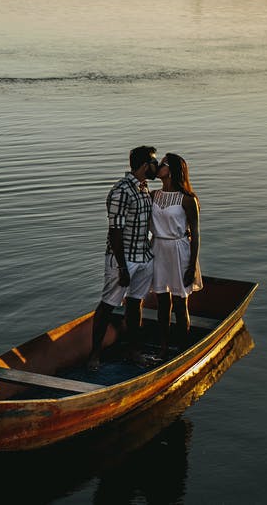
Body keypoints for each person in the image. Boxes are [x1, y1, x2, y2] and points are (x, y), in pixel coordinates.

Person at [88, 146, 159, 372]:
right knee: (108, 304)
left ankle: (133, 350)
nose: (156, 167)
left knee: (135, 305)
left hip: (143, 256)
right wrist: (122, 267)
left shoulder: (144, 188)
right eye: (154, 163)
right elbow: (115, 231)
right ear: (145, 165)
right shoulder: (121, 190)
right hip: (124, 259)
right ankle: (94, 355)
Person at [150, 153, 202, 358]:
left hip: (179, 250)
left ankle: (183, 350)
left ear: (170, 170)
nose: (158, 167)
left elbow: (196, 235)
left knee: (181, 304)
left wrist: (191, 265)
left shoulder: (188, 200)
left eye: (162, 164)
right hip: (158, 249)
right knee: (162, 303)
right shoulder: (153, 195)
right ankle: (163, 349)